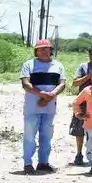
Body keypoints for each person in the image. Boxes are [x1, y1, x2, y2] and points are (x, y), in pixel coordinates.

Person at [19, 39, 65, 174]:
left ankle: (43, 162)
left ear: (51, 50)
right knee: (29, 136)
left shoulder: (58, 65)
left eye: (47, 48)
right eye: (41, 49)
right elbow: (25, 84)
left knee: (46, 136)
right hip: (32, 107)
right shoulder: (29, 64)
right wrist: (42, 94)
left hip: (50, 108)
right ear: (36, 51)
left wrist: (51, 95)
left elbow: (62, 84)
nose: (44, 51)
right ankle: (28, 164)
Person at [71, 45, 92, 166]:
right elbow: (74, 83)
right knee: (79, 130)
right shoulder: (83, 67)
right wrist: (88, 76)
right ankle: (79, 154)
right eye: (91, 54)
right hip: (83, 103)